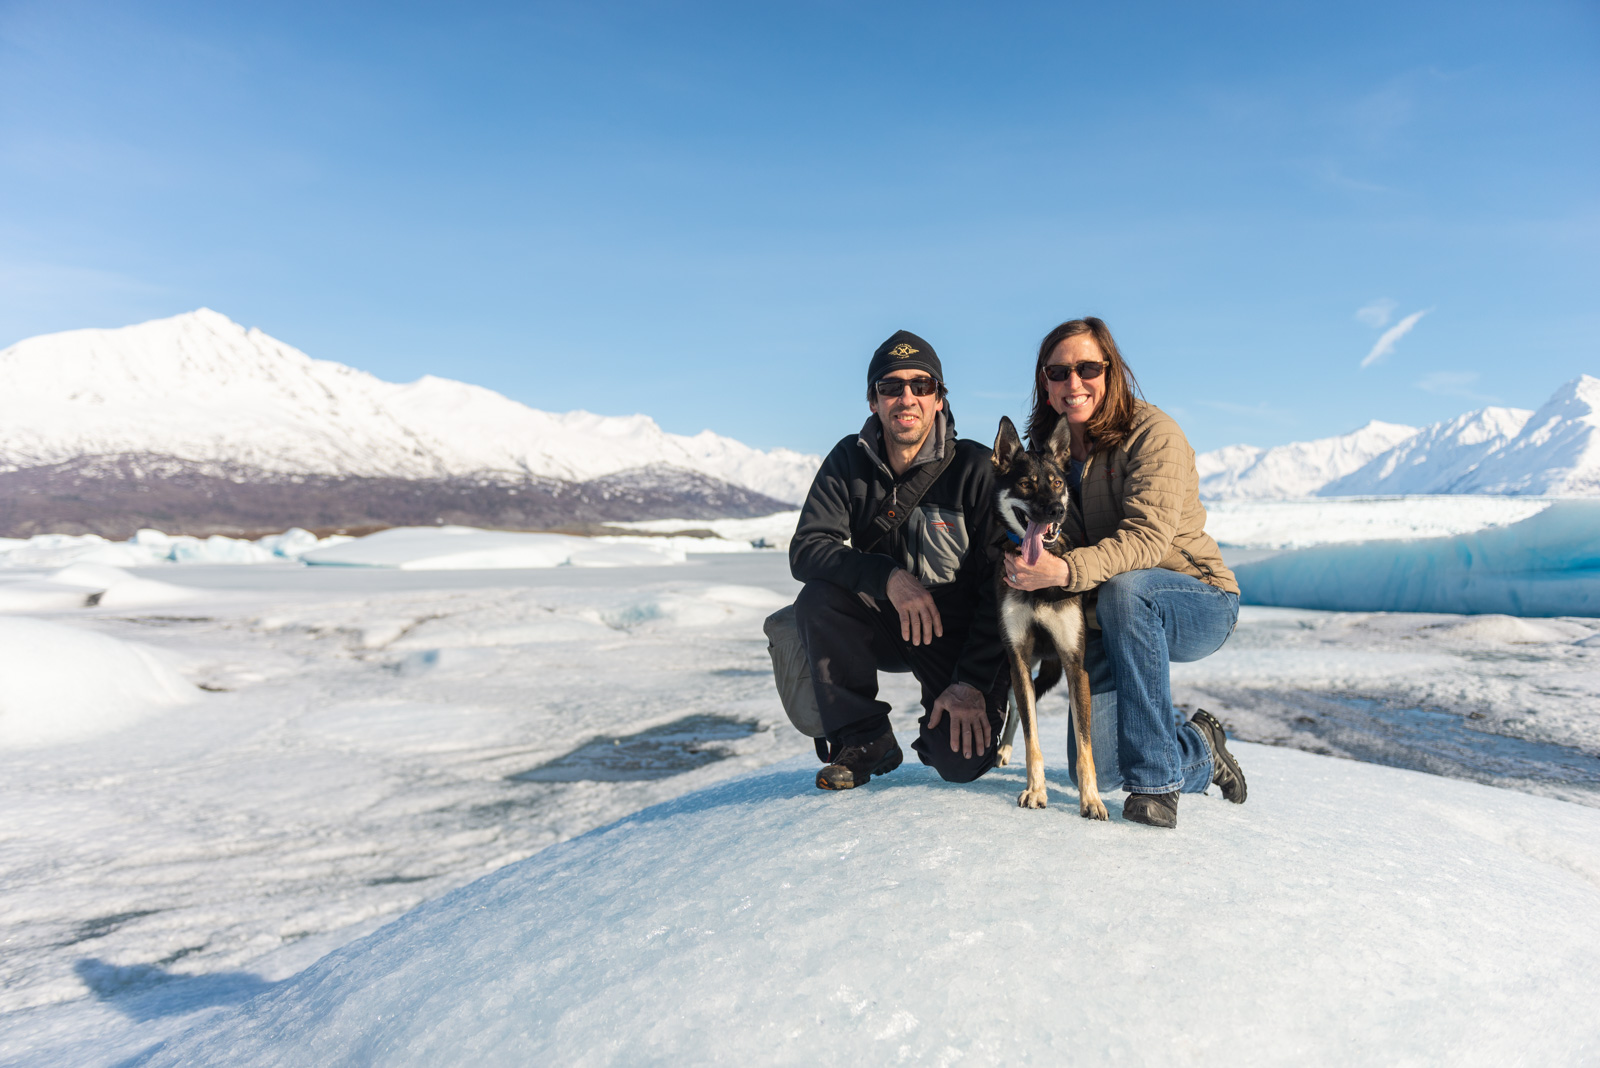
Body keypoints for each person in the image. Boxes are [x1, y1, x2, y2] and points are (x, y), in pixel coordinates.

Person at [1002, 317, 1248, 829]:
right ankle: (1199, 746)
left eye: (1088, 368)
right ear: (1045, 383)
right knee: (1099, 771)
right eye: (1058, 371)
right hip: (1104, 612)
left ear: (1112, 371)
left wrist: (1064, 569)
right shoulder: (1049, 453)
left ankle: (1157, 784)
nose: (1074, 383)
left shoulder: (1154, 434)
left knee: (1127, 589)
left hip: (1195, 598)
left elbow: (1147, 542)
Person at [790, 330, 1007, 791]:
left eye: (921, 385)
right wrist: (885, 576)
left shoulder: (976, 468)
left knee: (956, 763)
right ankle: (864, 737)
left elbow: (1002, 586)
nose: (906, 397)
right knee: (819, 598)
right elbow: (808, 548)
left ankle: (965, 718)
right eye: (891, 387)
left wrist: (971, 680)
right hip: (889, 623)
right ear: (874, 401)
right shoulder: (849, 459)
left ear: (939, 399)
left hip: (961, 638)